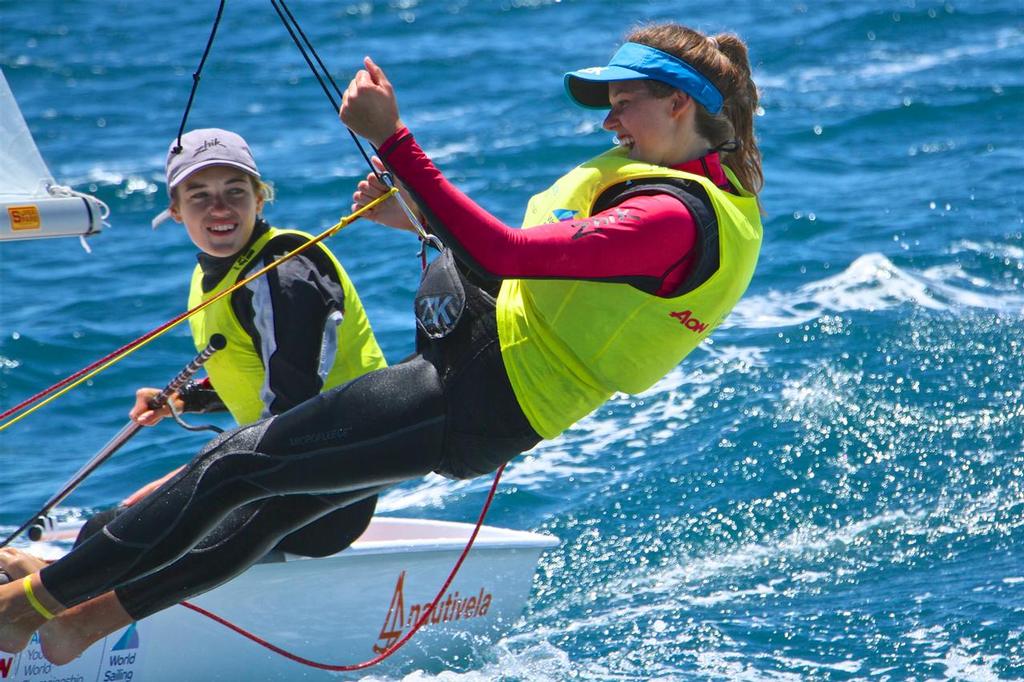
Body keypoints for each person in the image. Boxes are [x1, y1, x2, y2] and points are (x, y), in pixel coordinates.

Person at [0, 23, 763, 664]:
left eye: (623, 104)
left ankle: (29, 605)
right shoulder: (668, 190)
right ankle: (82, 621)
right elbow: (535, 273)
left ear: (678, 102)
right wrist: (417, 222)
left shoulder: (672, 217)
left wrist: (393, 139)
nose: (609, 123)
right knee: (265, 496)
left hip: (477, 396)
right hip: (474, 379)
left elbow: (502, 253)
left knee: (236, 467)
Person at [0, 129, 387, 595]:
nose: (219, 209)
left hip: (326, 497)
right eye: (199, 196)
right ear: (176, 210)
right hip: (283, 478)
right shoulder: (220, 269)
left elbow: (296, 406)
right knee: (112, 526)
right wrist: (184, 400)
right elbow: (259, 371)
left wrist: (191, 478)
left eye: (235, 192)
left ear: (260, 200)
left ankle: (42, 589)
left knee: (113, 529)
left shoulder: (285, 271)